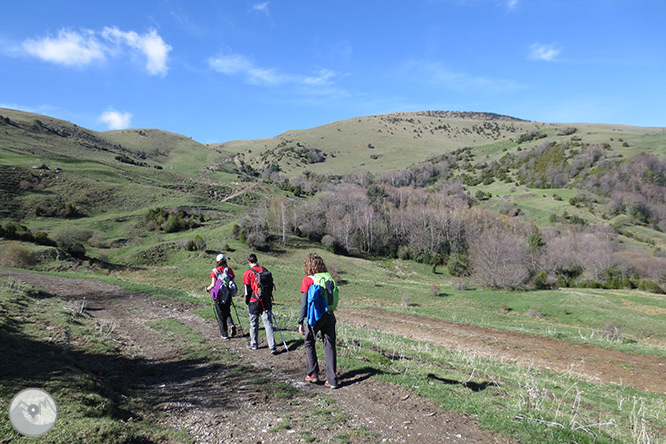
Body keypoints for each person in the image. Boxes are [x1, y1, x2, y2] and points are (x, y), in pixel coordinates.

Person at [298, 253, 339, 388]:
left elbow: (304, 304)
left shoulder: (308, 280)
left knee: (309, 341)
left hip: (315, 317)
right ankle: (332, 380)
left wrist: (300, 322)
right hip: (330, 314)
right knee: (329, 345)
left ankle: (313, 373)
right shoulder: (328, 277)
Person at [243, 253, 277, 354]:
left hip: (254, 301)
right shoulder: (265, 270)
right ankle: (272, 346)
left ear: (249, 262)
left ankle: (254, 344)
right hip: (266, 300)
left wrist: (247, 300)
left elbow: (247, 289)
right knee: (268, 323)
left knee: (253, 323)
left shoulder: (248, 273)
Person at [205, 253, 236, 339]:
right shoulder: (228, 270)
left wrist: (207, 289)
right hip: (228, 294)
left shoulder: (214, 271)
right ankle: (231, 324)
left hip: (218, 295)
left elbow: (213, 284)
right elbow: (232, 281)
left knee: (220, 314)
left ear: (217, 261)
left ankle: (224, 334)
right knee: (227, 311)